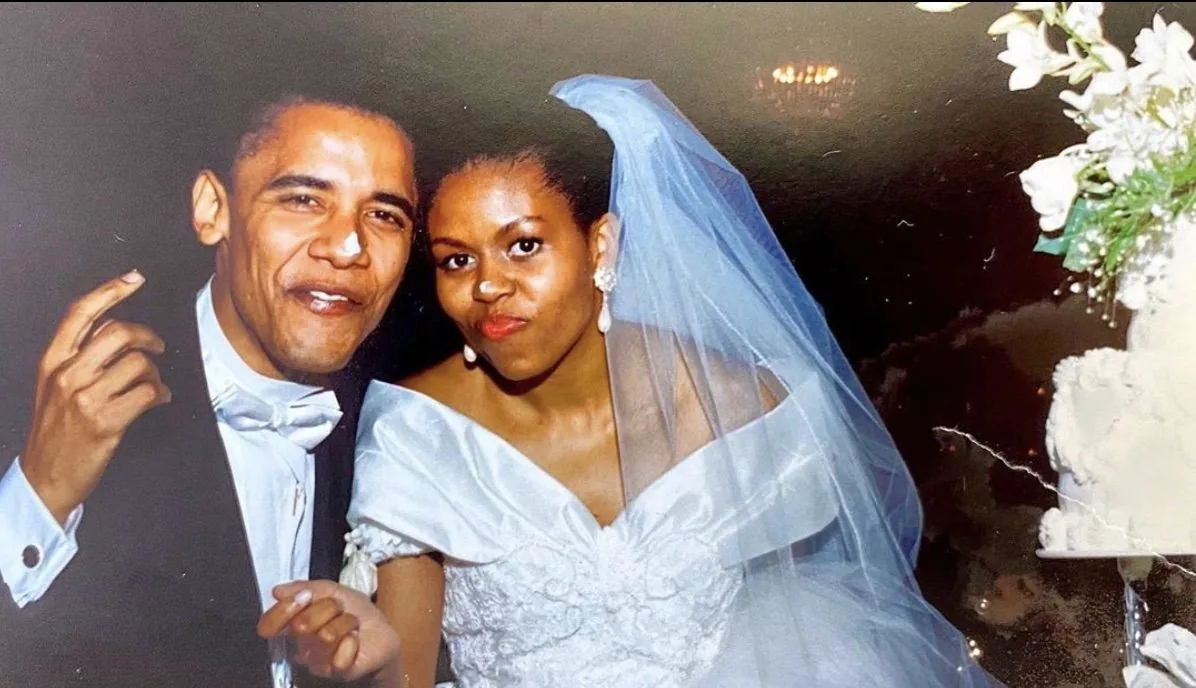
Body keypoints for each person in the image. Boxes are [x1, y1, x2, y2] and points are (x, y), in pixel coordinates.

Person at [340, 74, 1006, 687]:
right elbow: (406, 675)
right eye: (456, 260)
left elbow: (819, 611)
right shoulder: (418, 432)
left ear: (600, 246)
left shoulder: (751, 409)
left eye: (523, 246)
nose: (488, 286)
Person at [0, 95, 417, 687]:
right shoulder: (60, 386)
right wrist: (40, 492)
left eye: (384, 216)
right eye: (303, 199)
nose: (348, 247)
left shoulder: (397, 437)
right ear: (212, 209)